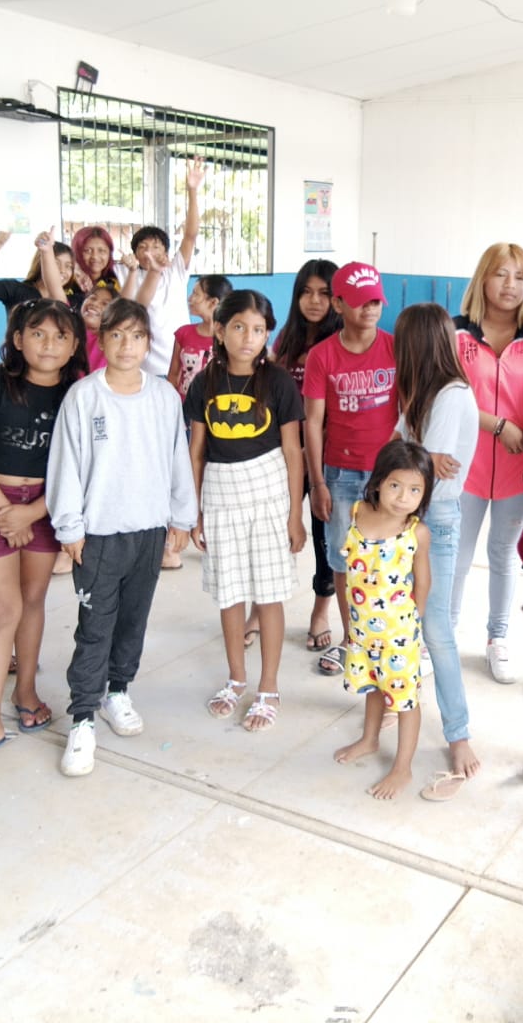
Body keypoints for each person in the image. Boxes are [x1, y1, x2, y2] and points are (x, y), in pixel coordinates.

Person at [48, 298, 195, 777]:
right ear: (101, 340)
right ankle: (82, 718)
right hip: (98, 535)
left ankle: (117, 692)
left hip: (148, 530)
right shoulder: (83, 397)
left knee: (133, 621)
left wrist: (181, 518)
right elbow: (66, 465)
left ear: (148, 343)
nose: (126, 346)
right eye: (116, 335)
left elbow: (177, 459)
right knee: (95, 626)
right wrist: (69, 526)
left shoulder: (164, 397)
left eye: (136, 336)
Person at [0, 300, 87, 775]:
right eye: (38, 333)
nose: (49, 344)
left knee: (32, 600)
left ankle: (25, 690)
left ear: (74, 344)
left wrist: (32, 511)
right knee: (2, 611)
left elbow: (80, 466)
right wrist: (6, 511)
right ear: (18, 339)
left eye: (60, 336)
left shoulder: (78, 394)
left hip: (48, 505)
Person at [185, 290, 305, 732]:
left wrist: (294, 515)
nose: (248, 338)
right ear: (219, 330)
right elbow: (197, 451)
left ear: (267, 334)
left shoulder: (279, 383)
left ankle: (268, 686)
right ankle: (236, 678)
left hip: (269, 490)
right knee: (229, 592)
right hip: (220, 493)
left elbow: (292, 452)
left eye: (258, 330)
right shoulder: (204, 383)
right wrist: (195, 510)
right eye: (238, 327)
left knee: (268, 593)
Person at [392, 304, 482, 798]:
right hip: (409, 519)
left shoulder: (450, 395)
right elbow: (402, 457)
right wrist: (418, 459)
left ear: (417, 345)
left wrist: (417, 461)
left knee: (437, 631)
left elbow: (418, 474)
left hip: (436, 521)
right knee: (402, 622)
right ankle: (396, 705)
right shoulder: (421, 396)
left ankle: (458, 734)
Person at [450, 242, 523, 685]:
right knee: (455, 555)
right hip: (464, 467)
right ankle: (442, 637)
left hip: (518, 468)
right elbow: (446, 395)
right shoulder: (456, 332)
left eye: (520, 277)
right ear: (483, 278)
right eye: (501, 274)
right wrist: (497, 425)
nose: (510, 285)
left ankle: (498, 638)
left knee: (504, 555)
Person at [303, 261, 398, 675]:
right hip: (340, 474)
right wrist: (318, 482)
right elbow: (312, 422)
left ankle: (387, 638)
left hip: (389, 479)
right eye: (361, 302)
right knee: (344, 562)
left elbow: (410, 410)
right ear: (338, 304)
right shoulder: (322, 355)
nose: (370, 309)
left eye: (375, 301)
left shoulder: (395, 348)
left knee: (387, 562)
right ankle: (352, 640)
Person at [333, 439, 434, 801]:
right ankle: (370, 739)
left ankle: (403, 766)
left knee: (405, 699)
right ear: (377, 482)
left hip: (398, 633)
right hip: (362, 628)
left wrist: (413, 621)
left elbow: (423, 581)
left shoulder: (415, 532)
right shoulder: (357, 512)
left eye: (414, 490)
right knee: (372, 685)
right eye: (395, 485)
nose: (403, 497)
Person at [270, 258, 342, 650]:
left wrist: (310, 453)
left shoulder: (339, 343)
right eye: (306, 292)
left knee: (323, 537)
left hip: (323, 456)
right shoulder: (286, 340)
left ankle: (320, 612)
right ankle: (263, 608)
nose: (314, 301)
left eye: (324, 293)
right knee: (274, 532)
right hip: (283, 454)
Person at [124, 156, 205, 380]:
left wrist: (192, 191)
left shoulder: (176, 270)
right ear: (135, 254)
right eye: (143, 247)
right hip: (145, 369)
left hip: (182, 364)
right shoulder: (128, 274)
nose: (149, 252)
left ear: (166, 253)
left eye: (155, 247)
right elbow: (134, 307)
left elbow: (190, 235)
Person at [0, 230, 72, 312]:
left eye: (68, 266)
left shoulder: (72, 299)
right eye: (56, 263)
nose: (62, 270)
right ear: (43, 262)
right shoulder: (18, 290)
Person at [170, 273, 232, 397]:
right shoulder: (183, 333)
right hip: (184, 406)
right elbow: (173, 375)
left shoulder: (230, 338)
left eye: (195, 294)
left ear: (213, 302)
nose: (190, 299)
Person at [70, 226, 121, 300]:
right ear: (77, 252)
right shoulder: (67, 280)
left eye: (101, 251)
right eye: (88, 251)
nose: (95, 256)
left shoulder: (118, 281)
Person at [79, 283, 114, 375]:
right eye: (93, 298)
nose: (95, 304)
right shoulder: (69, 327)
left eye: (105, 304)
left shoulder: (109, 341)